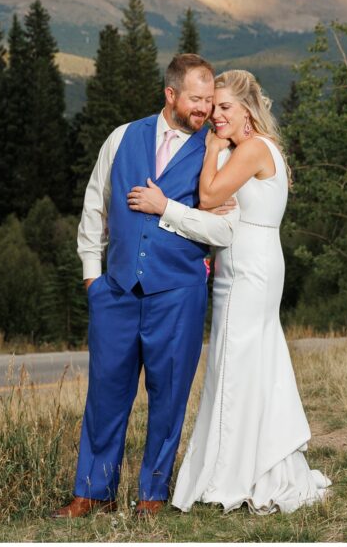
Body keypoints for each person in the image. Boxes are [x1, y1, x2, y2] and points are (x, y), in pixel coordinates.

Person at [127, 69, 331, 514]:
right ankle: (258, 463)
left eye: (224, 108)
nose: (216, 116)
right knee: (251, 361)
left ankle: (230, 475)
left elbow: (207, 196)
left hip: (246, 269)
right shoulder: (258, 147)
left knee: (234, 364)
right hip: (252, 260)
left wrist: (213, 152)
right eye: (213, 107)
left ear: (247, 110)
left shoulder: (252, 148)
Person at [52, 53, 239, 519]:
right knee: (105, 393)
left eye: (210, 101)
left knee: (168, 395)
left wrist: (167, 209)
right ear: (170, 94)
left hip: (178, 293)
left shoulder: (218, 153)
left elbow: (224, 231)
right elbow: (96, 205)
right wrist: (92, 275)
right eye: (196, 100)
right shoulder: (121, 138)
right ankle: (93, 491)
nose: (205, 110)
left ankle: (152, 495)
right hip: (114, 291)